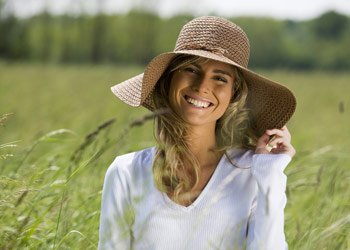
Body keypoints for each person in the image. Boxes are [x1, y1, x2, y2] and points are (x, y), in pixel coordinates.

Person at [98, 16, 296, 250]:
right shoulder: (126, 173)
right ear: (169, 79)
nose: (202, 86)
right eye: (191, 69)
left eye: (220, 78)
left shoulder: (253, 173)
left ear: (234, 94)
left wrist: (270, 171)